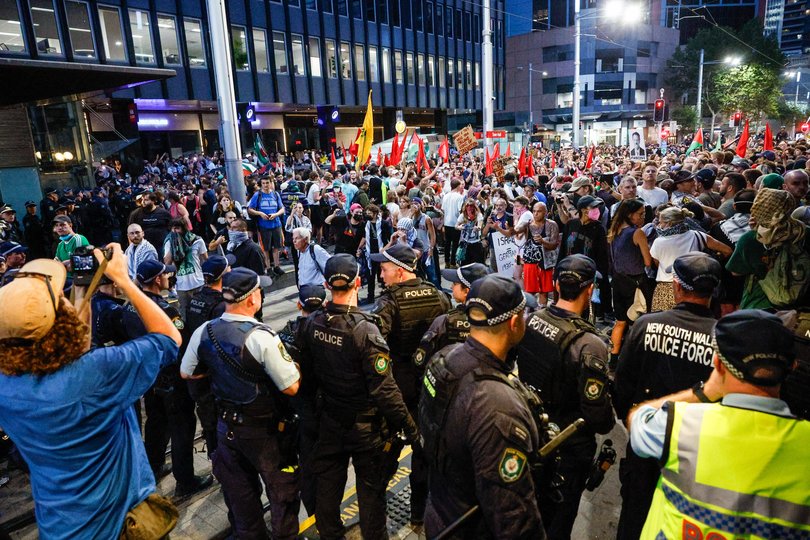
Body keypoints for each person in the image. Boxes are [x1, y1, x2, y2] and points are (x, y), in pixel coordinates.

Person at [0, 248, 183, 539]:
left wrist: (84, 288)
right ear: (59, 324)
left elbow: (75, 351)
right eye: (62, 300)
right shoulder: (95, 374)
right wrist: (124, 281)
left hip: (59, 525)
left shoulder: (7, 385)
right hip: (119, 525)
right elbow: (169, 338)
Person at [627, 310, 810, 539]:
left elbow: (637, 419)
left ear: (718, 364)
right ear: (792, 367)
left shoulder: (681, 425)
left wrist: (705, 392)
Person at [294, 254, 420, 540]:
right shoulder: (365, 330)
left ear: (326, 284)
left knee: (327, 494)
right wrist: (411, 428)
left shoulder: (311, 323)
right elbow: (384, 390)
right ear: (359, 283)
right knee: (371, 497)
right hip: (366, 430)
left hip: (329, 422)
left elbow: (305, 379)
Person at [419, 274, 544, 538]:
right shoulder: (497, 404)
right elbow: (513, 516)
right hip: (471, 529)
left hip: (440, 510)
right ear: (514, 323)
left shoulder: (442, 359)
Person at [180, 267, 301, 540]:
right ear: (252, 298)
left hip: (227, 429)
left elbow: (187, 372)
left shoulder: (204, 331)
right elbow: (291, 386)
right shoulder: (262, 337)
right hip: (264, 433)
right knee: (282, 494)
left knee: (241, 496)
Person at [613, 252, 722, 540]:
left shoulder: (646, 325)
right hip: (695, 450)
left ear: (676, 286)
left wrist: (634, 424)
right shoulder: (721, 340)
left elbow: (621, 387)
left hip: (645, 441)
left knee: (634, 515)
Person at [514, 254, 615, 539]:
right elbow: (599, 418)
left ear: (556, 284)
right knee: (559, 521)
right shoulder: (590, 344)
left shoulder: (531, 320)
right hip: (567, 448)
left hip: (530, 431)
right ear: (590, 289)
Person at [370, 243, 452, 525]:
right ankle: (419, 512)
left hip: (398, 384)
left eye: (384, 269)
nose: (381, 275)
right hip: (430, 385)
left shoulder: (388, 302)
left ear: (401, 271)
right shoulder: (439, 295)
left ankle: (375, 505)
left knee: (386, 446)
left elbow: (373, 344)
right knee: (423, 450)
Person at [123, 259, 214, 497]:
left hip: (150, 376)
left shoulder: (131, 305)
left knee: (156, 421)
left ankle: (153, 466)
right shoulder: (165, 310)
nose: (169, 277)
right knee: (182, 428)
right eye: (165, 274)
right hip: (171, 377)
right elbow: (180, 344)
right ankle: (185, 481)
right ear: (156, 280)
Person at [277, 284, 326, 516]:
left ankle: (312, 508)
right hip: (324, 408)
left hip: (294, 407)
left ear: (299, 305)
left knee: (303, 463)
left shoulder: (284, 334)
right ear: (324, 305)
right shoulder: (329, 331)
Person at [182, 254, 230, 456]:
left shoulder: (196, 299)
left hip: (197, 370)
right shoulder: (219, 306)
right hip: (212, 375)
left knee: (207, 419)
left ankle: (214, 455)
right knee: (218, 421)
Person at [649, 207, 731, 311]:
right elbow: (727, 250)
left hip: (665, 288)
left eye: (660, 222)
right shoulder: (698, 236)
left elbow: (655, 264)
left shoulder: (658, 242)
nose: (659, 226)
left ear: (669, 223)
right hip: (694, 288)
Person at [412, 262, 491, 368]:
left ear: (466, 291)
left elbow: (420, 362)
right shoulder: (496, 323)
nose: (451, 286)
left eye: (455, 283)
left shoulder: (443, 322)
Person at [607, 199, 653, 357]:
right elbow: (648, 262)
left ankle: (613, 355)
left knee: (620, 322)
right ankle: (635, 358)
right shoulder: (637, 233)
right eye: (640, 214)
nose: (643, 218)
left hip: (618, 282)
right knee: (638, 324)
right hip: (637, 284)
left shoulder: (614, 230)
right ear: (629, 214)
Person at [516, 201, 560, 307]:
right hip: (529, 262)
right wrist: (516, 220)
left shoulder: (552, 224)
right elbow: (516, 234)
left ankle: (541, 313)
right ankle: (529, 312)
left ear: (545, 212)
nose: (535, 214)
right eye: (534, 211)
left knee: (543, 292)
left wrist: (543, 242)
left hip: (545, 263)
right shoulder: (528, 224)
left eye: (539, 211)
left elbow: (554, 245)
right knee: (529, 290)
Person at [164, 218, 208, 317]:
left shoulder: (197, 240)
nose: (175, 231)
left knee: (201, 312)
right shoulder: (169, 241)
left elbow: (205, 259)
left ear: (184, 228)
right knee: (184, 313)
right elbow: (167, 262)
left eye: (177, 228)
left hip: (198, 282)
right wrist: (173, 245)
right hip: (181, 285)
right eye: (173, 229)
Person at [247, 176, 286, 276]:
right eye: (263, 183)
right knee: (266, 248)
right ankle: (268, 268)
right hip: (263, 226)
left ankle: (277, 266)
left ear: (270, 183)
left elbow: (282, 208)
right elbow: (250, 209)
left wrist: (276, 214)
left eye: (267, 183)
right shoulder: (257, 195)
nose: (265, 185)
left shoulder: (276, 194)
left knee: (277, 247)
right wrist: (260, 213)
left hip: (276, 224)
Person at [362, 204, 393, 303]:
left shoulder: (383, 224)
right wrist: (359, 248)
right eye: (366, 213)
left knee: (383, 274)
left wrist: (387, 249)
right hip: (370, 252)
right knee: (370, 275)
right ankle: (370, 296)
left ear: (375, 214)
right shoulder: (365, 224)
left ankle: (386, 294)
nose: (367, 215)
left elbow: (390, 238)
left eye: (370, 213)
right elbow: (363, 237)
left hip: (382, 251)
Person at [442, 178, 466, 268]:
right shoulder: (459, 197)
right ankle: (452, 262)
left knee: (447, 243)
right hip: (456, 223)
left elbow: (443, 209)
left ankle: (446, 262)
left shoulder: (446, 196)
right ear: (458, 186)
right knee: (455, 243)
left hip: (447, 222)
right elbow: (460, 210)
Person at [456, 199, 486, 265]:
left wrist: (477, 228)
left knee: (478, 264)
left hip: (476, 243)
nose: (469, 207)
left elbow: (480, 225)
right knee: (465, 264)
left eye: (471, 206)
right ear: (465, 207)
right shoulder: (463, 215)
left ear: (474, 207)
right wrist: (460, 227)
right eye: (468, 206)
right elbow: (456, 226)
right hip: (465, 243)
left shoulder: (478, 215)